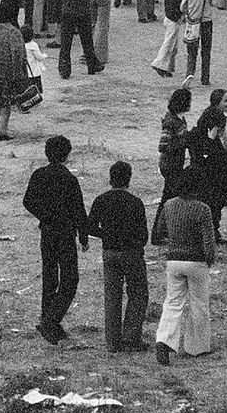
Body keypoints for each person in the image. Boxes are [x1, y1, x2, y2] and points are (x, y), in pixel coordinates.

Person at [22, 134, 91, 344]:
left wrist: (45, 215)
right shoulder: (69, 179)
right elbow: (79, 210)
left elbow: (28, 201)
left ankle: (47, 318)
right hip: (65, 233)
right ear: (67, 155)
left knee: (50, 276)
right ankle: (51, 321)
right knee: (70, 279)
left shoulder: (39, 175)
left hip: (48, 231)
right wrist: (83, 236)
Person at [151, 170, 217, 366]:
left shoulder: (169, 205)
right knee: (199, 304)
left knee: (172, 302)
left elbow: (158, 233)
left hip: (173, 260)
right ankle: (196, 347)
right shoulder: (203, 209)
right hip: (196, 261)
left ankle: (164, 340)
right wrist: (209, 260)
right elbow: (209, 241)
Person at [88, 160, 151, 353]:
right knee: (138, 293)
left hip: (110, 252)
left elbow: (89, 226)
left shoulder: (101, 200)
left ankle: (113, 341)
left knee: (112, 296)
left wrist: (106, 235)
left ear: (110, 179)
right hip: (131, 252)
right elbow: (143, 235)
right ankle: (131, 336)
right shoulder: (135, 202)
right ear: (129, 179)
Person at [186, 89, 227, 243]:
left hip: (205, 158)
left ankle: (210, 229)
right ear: (218, 103)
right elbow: (219, 139)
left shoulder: (209, 113)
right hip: (213, 161)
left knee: (211, 196)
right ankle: (212, 230)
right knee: (218, 195)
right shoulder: (217, 117)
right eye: (226, 101)